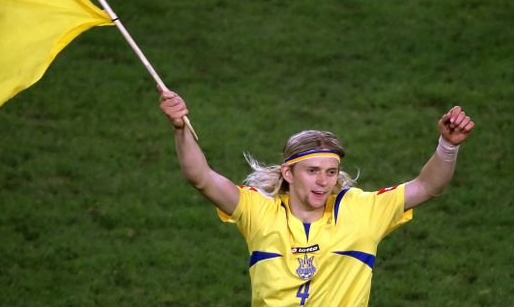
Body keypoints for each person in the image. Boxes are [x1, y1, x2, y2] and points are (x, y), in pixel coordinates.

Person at [159, 89, 474, 307]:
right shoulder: (258, 210)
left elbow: (427, 186)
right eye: (312, 171)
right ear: (288, 173)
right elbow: (201, 177)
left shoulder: (362, 210)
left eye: (331, 171)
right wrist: (179, 127)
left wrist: (448, 145)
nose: (323, 182)